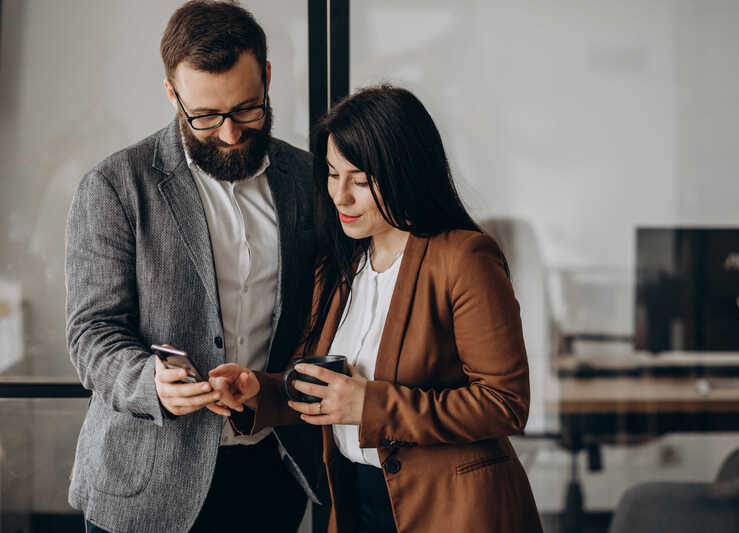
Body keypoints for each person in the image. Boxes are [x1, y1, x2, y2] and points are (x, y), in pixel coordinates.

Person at [213, 85, 544, 532]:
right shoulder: (339, 262)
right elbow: (325, 391)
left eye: (361, 181)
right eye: (332, 174)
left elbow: (504, 403)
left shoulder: (464, 259)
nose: (340, 196)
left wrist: (371, 405)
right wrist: (262, 392)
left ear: (405, 174)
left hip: (454, 510)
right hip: (355, 501)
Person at [65, 2, 324, 532]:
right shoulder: (115, 186)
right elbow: (91, 333)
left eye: (248, 109)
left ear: (268, 78)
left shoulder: (309, 180)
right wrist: (150, 383)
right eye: (205, 117)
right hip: (144, 483)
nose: (230, 134)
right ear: (172, 95)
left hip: (269, 475)